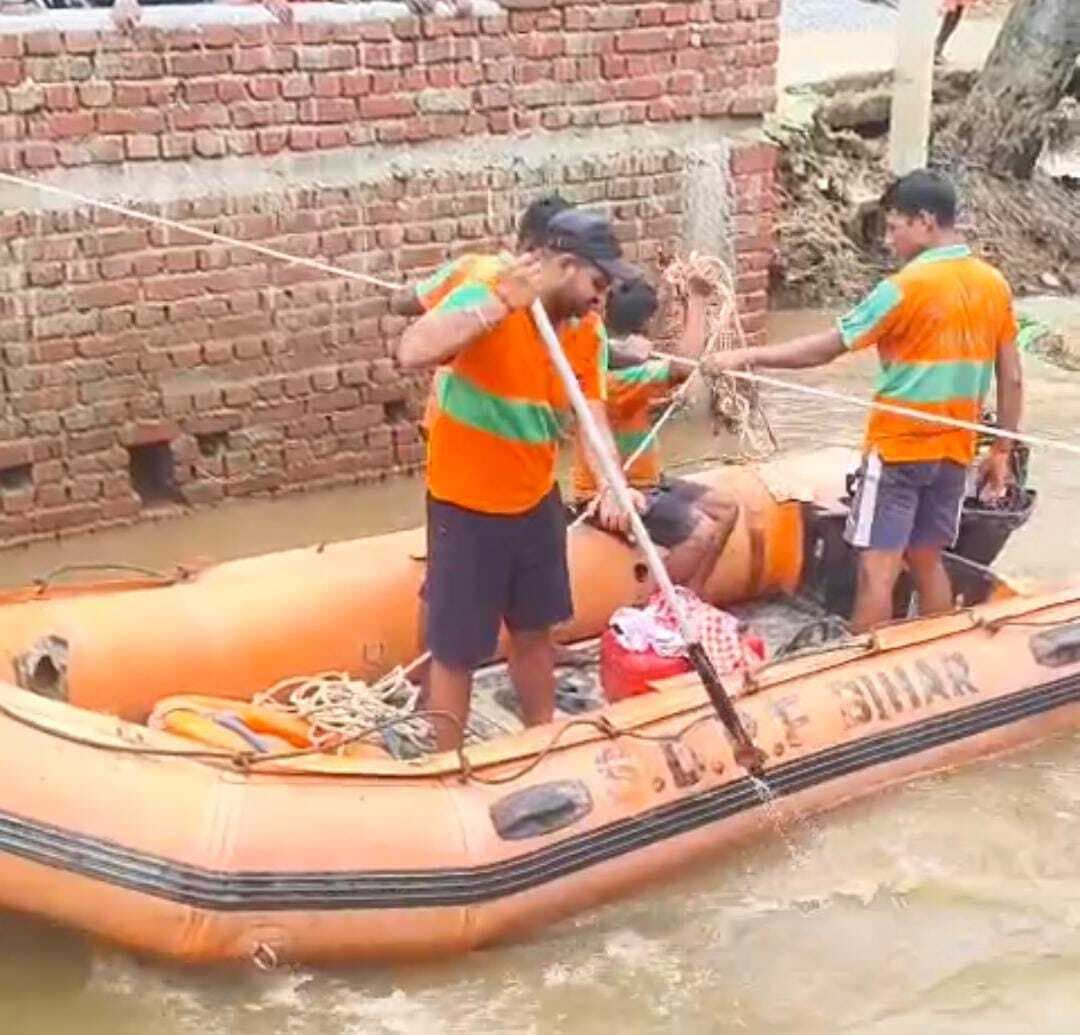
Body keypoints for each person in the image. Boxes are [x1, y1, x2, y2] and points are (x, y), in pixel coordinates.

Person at [703, 169, 1023, 634]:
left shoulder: (904, 287)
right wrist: (1001, 451)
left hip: (899, 451)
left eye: (895, 228)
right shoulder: (994, 283)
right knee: (928, 558)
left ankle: (860, 668)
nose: (890, 240)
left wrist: (745, 356)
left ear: (926, 222)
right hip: (955, 449)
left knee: (878, 569)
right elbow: (1011, 377)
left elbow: (827, 347)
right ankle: (938, 648)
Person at [398, 209, 640, 751]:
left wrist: (612, 482)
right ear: (565, 265)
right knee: (457, 650)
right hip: (467, 504)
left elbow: (590, 411)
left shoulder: (585, 331)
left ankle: (542, 741)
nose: (603, 298)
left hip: (534, 500)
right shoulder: (490, 290)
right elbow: (412, 350)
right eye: (598, 283)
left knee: (536, 630)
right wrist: (499, 304)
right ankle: (446, 762)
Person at [569, 275, 740, 597]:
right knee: (700, 532)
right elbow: (686, 366)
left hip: (648, 483)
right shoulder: (618, 381)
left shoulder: (616, 358)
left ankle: (693, 598)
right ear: (640, 331)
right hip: (608, 495)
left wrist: (672, 293)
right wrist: (698, 300)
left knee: (726, 508)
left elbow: (651, 349)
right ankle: (653, 611)